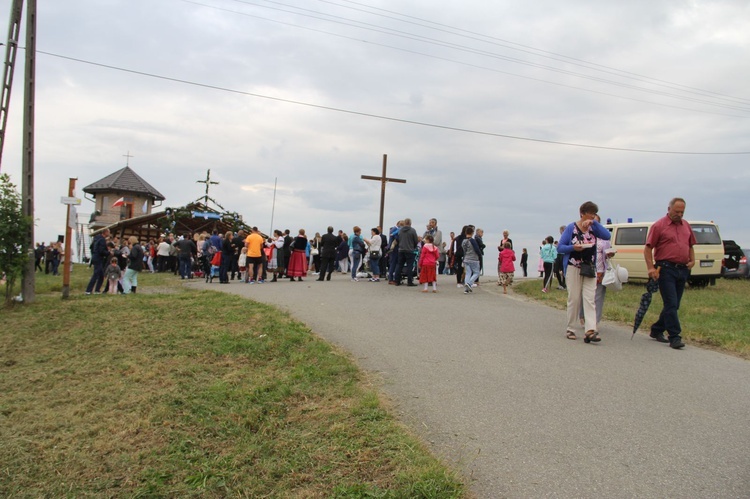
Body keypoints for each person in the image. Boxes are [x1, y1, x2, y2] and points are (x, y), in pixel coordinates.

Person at [643, 197, 695, 349]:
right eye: (677, 211)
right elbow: (647, 248)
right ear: (669, 209)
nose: (679, 214)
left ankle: (657, 329)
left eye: (682, 212)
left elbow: (690, 245)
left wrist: (692, 260)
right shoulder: (659, 226)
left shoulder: (686, 226)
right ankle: (675, 336)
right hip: (665, 269)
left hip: (682, 269)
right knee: (671, 303)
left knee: (674, 305)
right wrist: (650, 268)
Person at [557, 201, 611, 343]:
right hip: (573, 266)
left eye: (594, 214)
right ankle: (571, 328)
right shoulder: (571, 228)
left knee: (589, 298)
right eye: (590, 213)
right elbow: (560, 247)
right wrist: (573, 248)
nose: (592, 216)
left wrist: (594, 224)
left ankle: (590, 330)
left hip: (589, 267)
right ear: (582, 213)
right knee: (574, 298)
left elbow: (607, 236)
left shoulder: (594, 228)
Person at [579, 215, 613, 334]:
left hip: (601, 270)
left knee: (598, 297)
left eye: (595, 222)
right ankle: (582, 316)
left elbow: (608, 250)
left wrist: (610, 254)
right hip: (588, 269)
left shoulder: (604, 238)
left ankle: (594, 323)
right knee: (587, 296)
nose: (592, 224)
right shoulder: (584, 235)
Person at [394, 218, 419, 287]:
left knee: (399, 265)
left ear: (404, 223)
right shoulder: (413, 230)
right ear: (410, 223)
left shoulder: (400, 230)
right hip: (410, 250)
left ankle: (397, 281)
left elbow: (397, 239)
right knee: (410, 266)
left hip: (401, 250)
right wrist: (413, 246)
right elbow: (416, 241)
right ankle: (409, 281)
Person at [85, 228, 111, 295]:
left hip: (95, 257)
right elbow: (101, 251)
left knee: (101, 275)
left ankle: (97, 290)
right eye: (109, 232)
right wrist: (108, 253)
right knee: (96, 274)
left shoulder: (96, 238)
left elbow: (92, 247)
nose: (109, 234)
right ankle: (88, 290)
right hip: (98, 258)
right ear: (105, 232)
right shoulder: (102, 240)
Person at [461, 226, 481, 294]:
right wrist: (479, 255)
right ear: (472, 233)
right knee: (476, 273)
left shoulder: (464, 241)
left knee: (468, 273)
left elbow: (464, 250)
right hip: (474, 259)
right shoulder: (472, 240)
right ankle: (469, 283)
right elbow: (476, 249)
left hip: (466, 258)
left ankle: (466, 289)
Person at [554, 225, 567, 290]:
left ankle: (564, 284)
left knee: (564, 270)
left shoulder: (567, 237)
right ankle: (561, 283)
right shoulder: (561, 238)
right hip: (558, 255)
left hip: (563, 255)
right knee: (556, 270)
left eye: (561, 231)